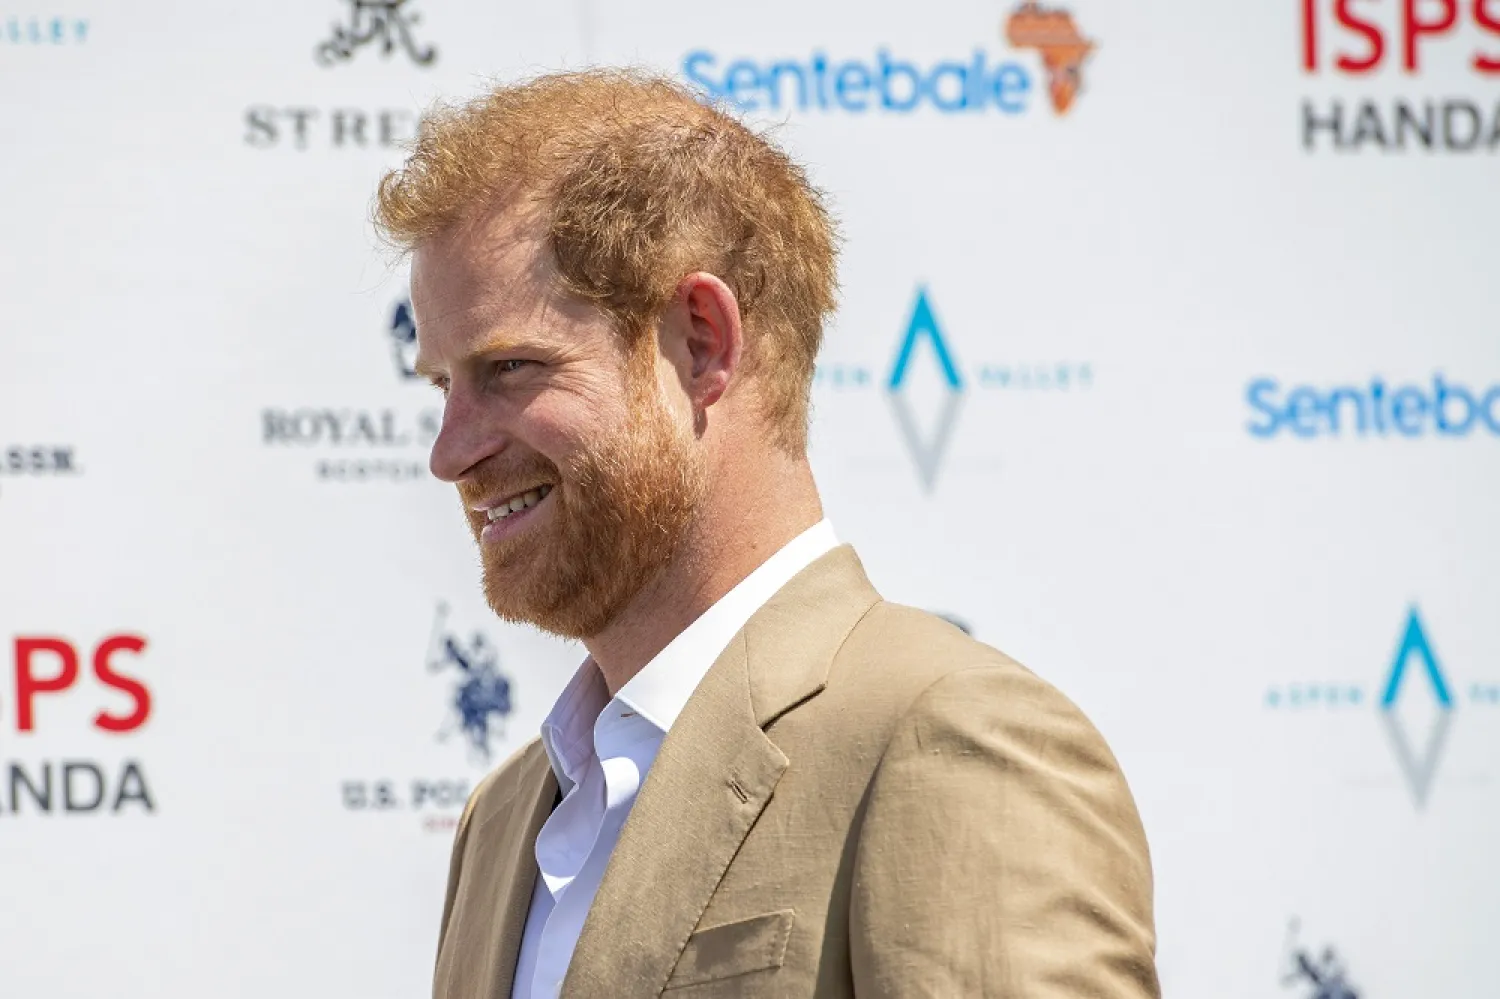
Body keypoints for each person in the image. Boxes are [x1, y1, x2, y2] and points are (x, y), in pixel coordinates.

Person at [374, 68, 1159, 999]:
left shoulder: (945, 736)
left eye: (509, 367)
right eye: (440, 385)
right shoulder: (501, 820)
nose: (449, 451)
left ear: (702, 341)